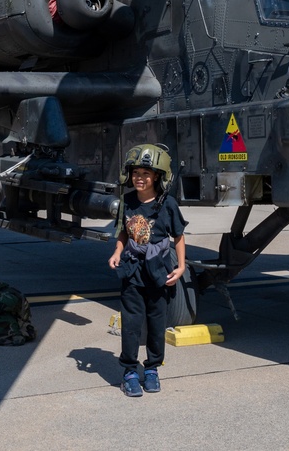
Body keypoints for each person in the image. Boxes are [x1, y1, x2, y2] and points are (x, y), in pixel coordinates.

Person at [108, 143, 187, 397]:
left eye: (145, 174)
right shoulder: (127, 201)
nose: (139, 178)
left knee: (156, 324)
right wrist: (118, 251)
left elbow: (178, 237)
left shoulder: (169, 204)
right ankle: (130, 371)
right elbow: (122, 231)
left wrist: (182, 266)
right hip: (132, 271)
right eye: (135, 173)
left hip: (158, 272)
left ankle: (152, 369)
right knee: (131, 324)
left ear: (157, 176)